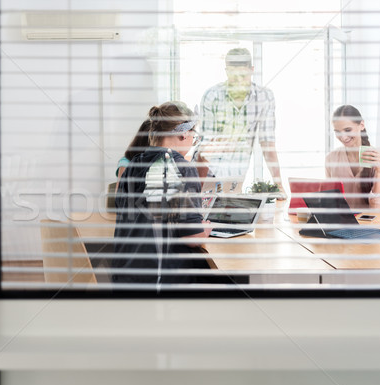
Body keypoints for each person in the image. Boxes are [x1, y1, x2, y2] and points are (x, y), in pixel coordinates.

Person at [112, 101, 212, 284]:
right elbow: (191, 237)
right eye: (193, 135)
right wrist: (205, 229)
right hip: (159, 280)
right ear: (183, 133)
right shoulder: (181, 167)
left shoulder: (133, 164)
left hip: (124, 275)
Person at [199, 47, 285, 194]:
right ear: (226, 71)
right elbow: (205, 147)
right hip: (209, 173)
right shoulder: (212, 95)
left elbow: (267, 143)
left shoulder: (264, 97)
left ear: (251, 70)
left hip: (237, 175)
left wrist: (279, 185)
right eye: (233, 75)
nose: (238, 80)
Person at [326, 105, 380, 209]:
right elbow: (331, 200)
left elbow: (376, 206)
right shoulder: (331, 159)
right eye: (337, 132)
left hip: (376, 221)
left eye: (347, 130)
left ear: (361, 125)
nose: (343, 137)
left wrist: (379, 171)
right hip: (346, 222)